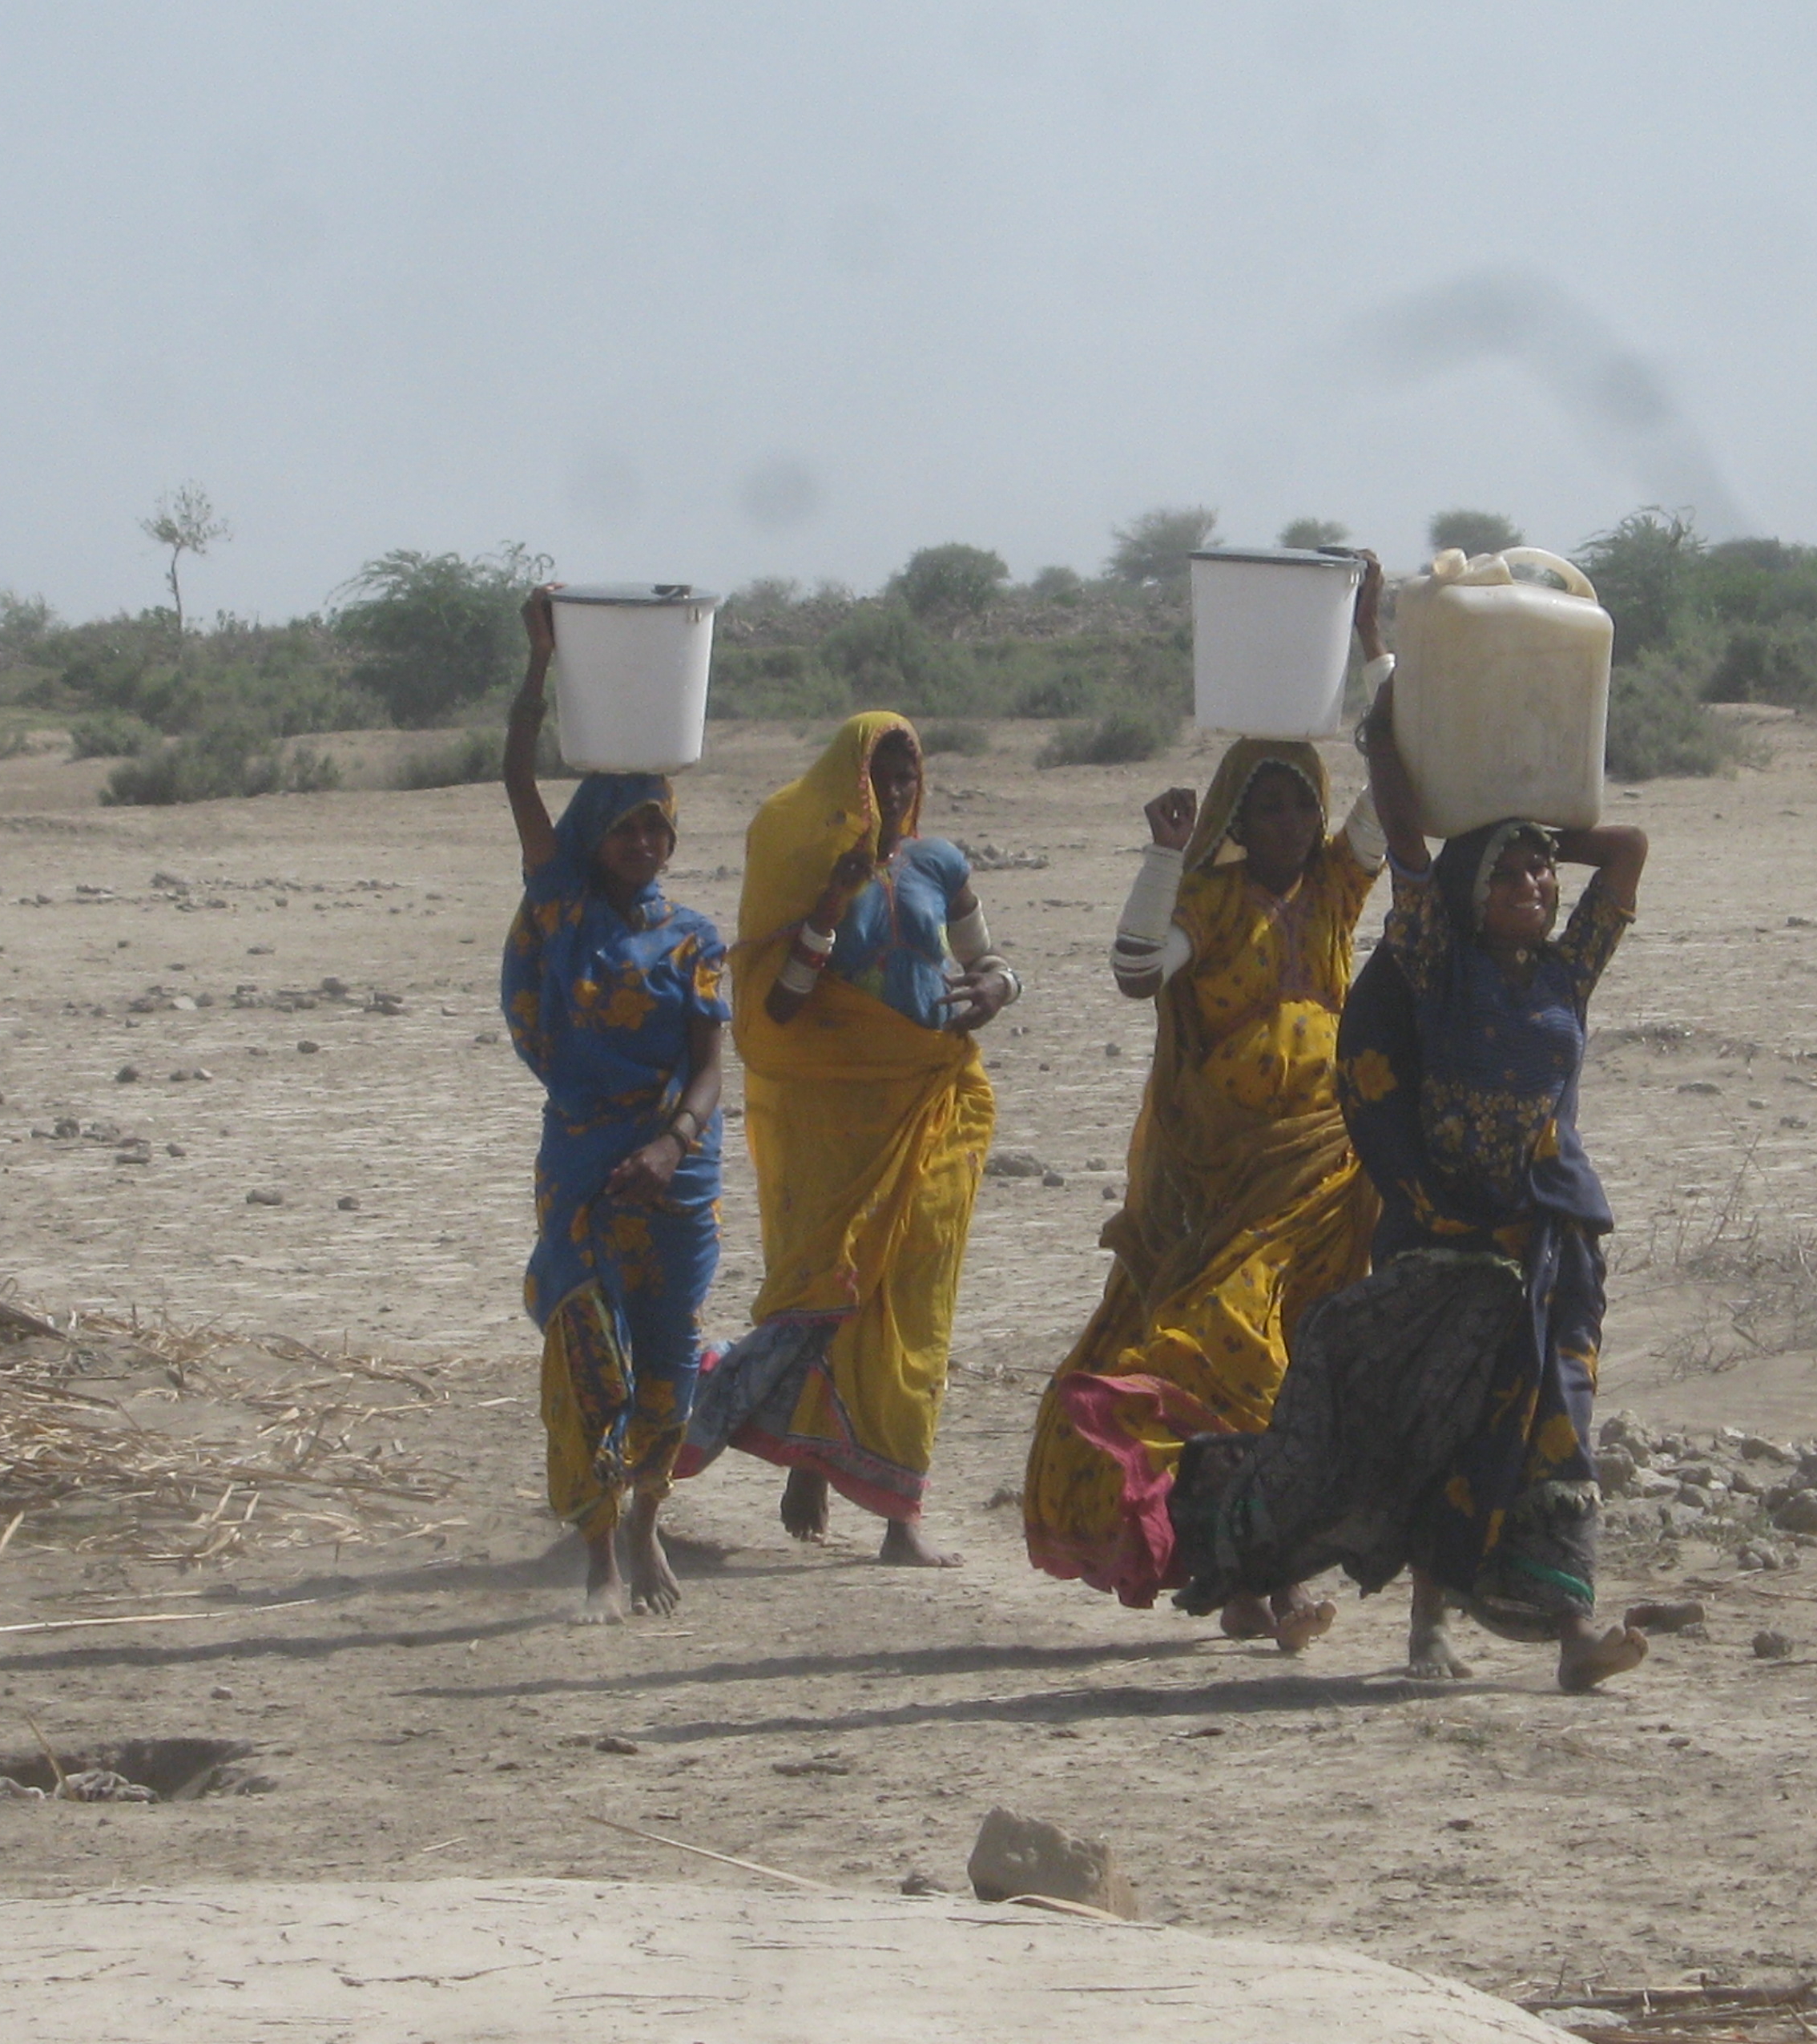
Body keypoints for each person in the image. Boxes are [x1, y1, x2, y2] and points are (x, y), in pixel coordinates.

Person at [1160, 666, 1651, 1693]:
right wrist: (1392, 745)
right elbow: (1411, 852)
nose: (1535, 889)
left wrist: (1528, 821)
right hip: (1442, 1237)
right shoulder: (1437, 960)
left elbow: (1628, 850)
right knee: (1435, 1426)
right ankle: (1424, 1626)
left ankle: (1571, 1629)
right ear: (1472, 894)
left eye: (1542, 880)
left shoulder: (1569, 972)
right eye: (1510, 877)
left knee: (1552, 1427)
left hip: (1549, 1240)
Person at [1023, 573, 1393, 1648]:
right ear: (1235, 813)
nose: (1289, 820)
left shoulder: (1333, 890)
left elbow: (1402, 779)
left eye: (1300, 801)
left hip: (1324, 1179)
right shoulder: (1209, 902)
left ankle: (1253, 1589)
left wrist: (1372, 643)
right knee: (1231, 1355)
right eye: (1266, 803)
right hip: (1224, 1186)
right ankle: (1255, 1582)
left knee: (1301, 1366)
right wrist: (1162, 853)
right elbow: (1139, 970)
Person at [676, 712, 1012, 1566]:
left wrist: (997, 990)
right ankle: (810, 1464)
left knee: (919, 1301)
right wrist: (830, 904)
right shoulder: (812, 874)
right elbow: (782, 1005)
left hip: (932, 1100)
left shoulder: (941, 863)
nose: (895, 793)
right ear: (849, 786)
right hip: (834, 1122)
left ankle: (903, 1518)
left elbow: (987, 962)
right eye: (878, 778)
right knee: (832, 1289)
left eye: (905, 777)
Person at [500, 588, 728, 1623]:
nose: (644, 842)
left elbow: (714, 1063)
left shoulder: (695, 939)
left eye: (657, 827)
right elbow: (515, 777)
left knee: (669, 1351)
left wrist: (676, 1146)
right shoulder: (561, 904)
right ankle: (595, 1543)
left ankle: (645, 1516)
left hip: (675, 1169)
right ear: (595, 835)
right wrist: (542, 666)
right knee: (588, 1346)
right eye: (626, 827)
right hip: (587, 1159)